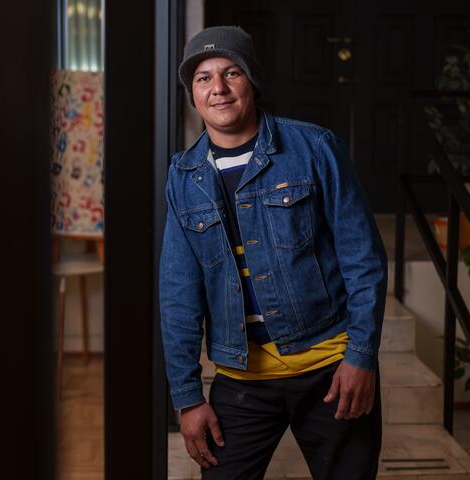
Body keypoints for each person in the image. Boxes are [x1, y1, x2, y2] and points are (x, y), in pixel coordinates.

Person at [159, 25, 388, 480]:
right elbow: (178, 295)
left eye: (231, 73)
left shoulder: (313, 149)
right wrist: (188, 398)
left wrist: (360, 356)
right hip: (243, 381)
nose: (218, 89)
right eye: (203, 78)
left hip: (331, 370)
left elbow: (363, 259)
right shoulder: (183, 177)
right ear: (192, 93)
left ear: (253, 80)